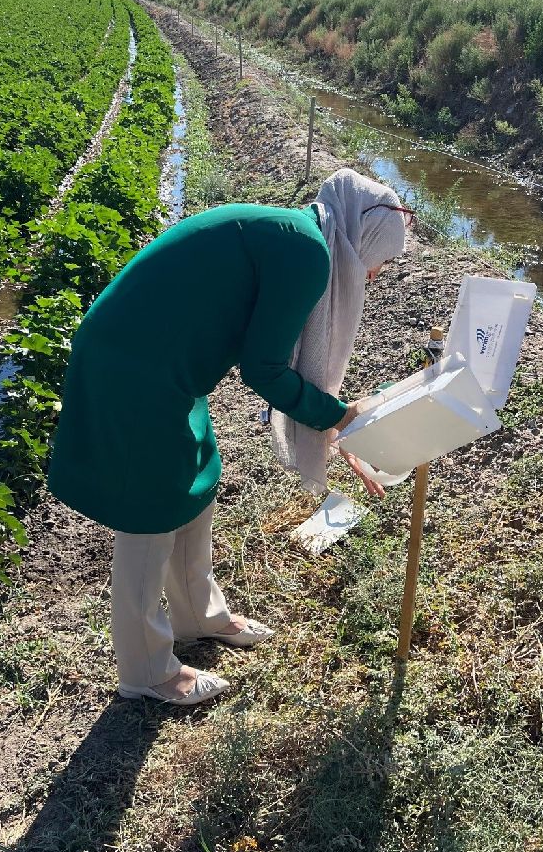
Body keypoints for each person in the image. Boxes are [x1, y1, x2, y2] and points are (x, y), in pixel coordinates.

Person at [48, 168, 410, 706]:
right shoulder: (307, 253)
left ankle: (199, 615)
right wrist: (337, 417)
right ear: (364, 244)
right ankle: (146, 670)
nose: (376, 275)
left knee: (197, 479)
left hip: (166, 365)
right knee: (149, 510)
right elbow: (264, 370)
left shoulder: (301, 236)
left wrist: (334, 422)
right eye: (382, 261)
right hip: (135, 368)